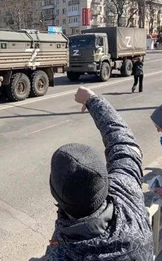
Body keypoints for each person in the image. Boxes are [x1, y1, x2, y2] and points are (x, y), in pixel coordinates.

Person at [44, 86, 153, 260]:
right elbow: (123, 142)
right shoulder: (127, 191)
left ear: (55, 193)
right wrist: (93, 100)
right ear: (104, 179)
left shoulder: (60, 255)